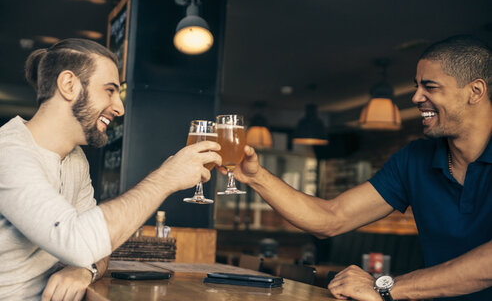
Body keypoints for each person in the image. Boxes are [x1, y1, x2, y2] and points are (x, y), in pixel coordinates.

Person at [231, 35, 492, 301]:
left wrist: (386, 287)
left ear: (475, 91)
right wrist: (256, 177)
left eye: (430, 87)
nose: (415, 97)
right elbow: (331, 217)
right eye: (416, 86)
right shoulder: (415, 159)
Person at [0, 38, 221, 300]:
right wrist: (166, 178)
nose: (119, 107)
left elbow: (97, 249)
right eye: (109, 90)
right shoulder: (9, 151)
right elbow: (80, 241)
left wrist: (84, 270)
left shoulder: (75, 159)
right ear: (69, 85)